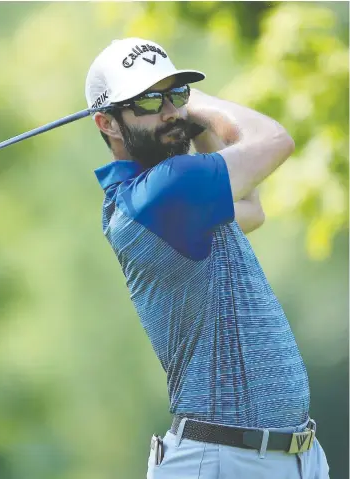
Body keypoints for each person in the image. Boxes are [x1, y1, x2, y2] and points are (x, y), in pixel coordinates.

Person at [85, 37, 330, 479]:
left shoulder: (166, 197)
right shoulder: (165, 191)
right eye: (149, 100)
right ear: (108, 123)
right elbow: (275, 140)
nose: (169, 111)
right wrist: (199, 105)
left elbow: (251, 208)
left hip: (289, 458)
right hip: (224, 461)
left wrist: (181, 122)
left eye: (175, 93)